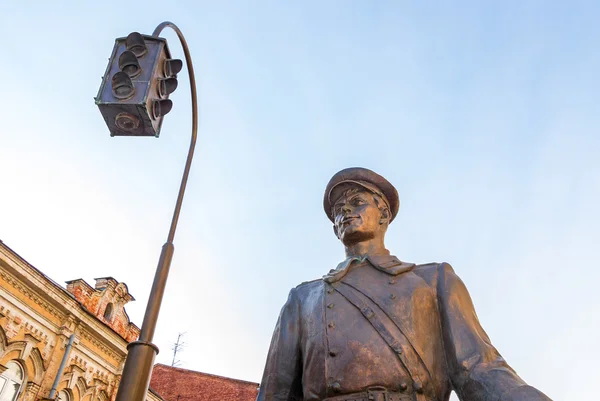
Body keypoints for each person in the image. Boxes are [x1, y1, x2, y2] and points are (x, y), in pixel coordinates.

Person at [257, 167, 551, 401]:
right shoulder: (303, 299)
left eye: (357, 202)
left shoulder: (433, 281)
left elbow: (479, 369)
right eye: (338, 209)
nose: (345, 212)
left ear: (383, 214)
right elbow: (274, 394)